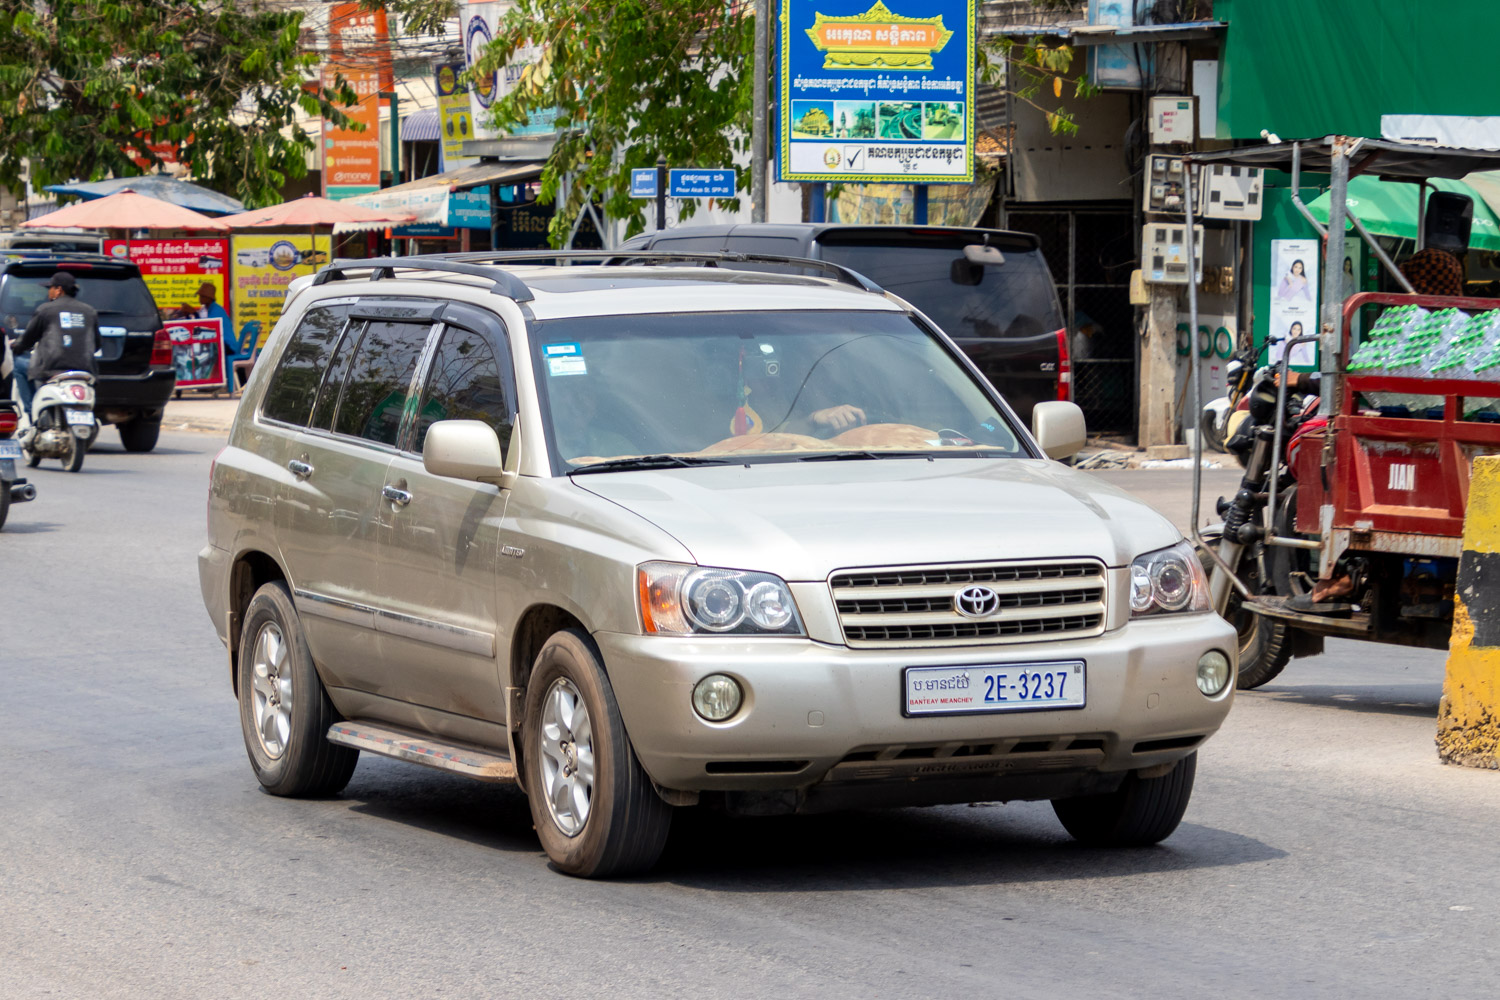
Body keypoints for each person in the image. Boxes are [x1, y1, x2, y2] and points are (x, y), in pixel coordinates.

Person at [9, 272, 99, 408]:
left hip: (51, 370)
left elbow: (27, 341)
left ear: (59, 290)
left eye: (50, 288)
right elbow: (97, 345)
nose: (48, 293)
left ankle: (32, 411)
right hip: (85, 370)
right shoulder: (90, 311)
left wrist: (15, 346)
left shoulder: (45, 310)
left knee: (18, 363)